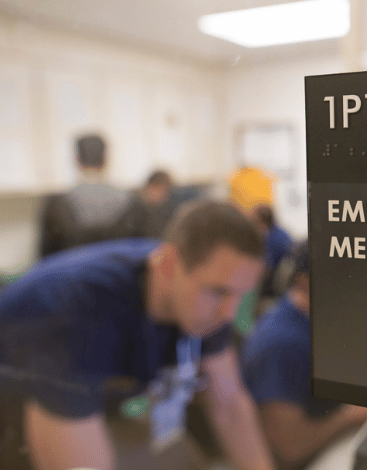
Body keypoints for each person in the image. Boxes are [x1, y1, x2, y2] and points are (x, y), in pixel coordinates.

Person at [0, 200, 276, 470]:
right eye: (219, 292)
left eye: (242, 294)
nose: (230, 313)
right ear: (167, 264)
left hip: (89, 408)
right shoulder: (78, 312)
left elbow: (229, 406)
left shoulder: (203, 298)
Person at [240, 241, 367, 470]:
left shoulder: (317, 322)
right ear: (303, 281)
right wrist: (352, 416)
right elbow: (289, 449)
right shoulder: (282, 345)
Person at [38, 133, 130, 257]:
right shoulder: (130, 201)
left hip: (73, 275)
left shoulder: (57, 204)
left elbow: (45, 259)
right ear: (105, 159)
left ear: (77, 160)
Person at [114, 169, 177, 239]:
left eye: (164, 190)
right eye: (157, 189)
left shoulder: (169, 211)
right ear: (149, 187)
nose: (161, 194)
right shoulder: (135, 208)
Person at [251, 203, 293, 300]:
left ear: (261, 223)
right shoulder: (281, 233)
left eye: (253, 222)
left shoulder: (270, 240)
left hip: (273, 292)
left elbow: (265, 271)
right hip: (284, 290)